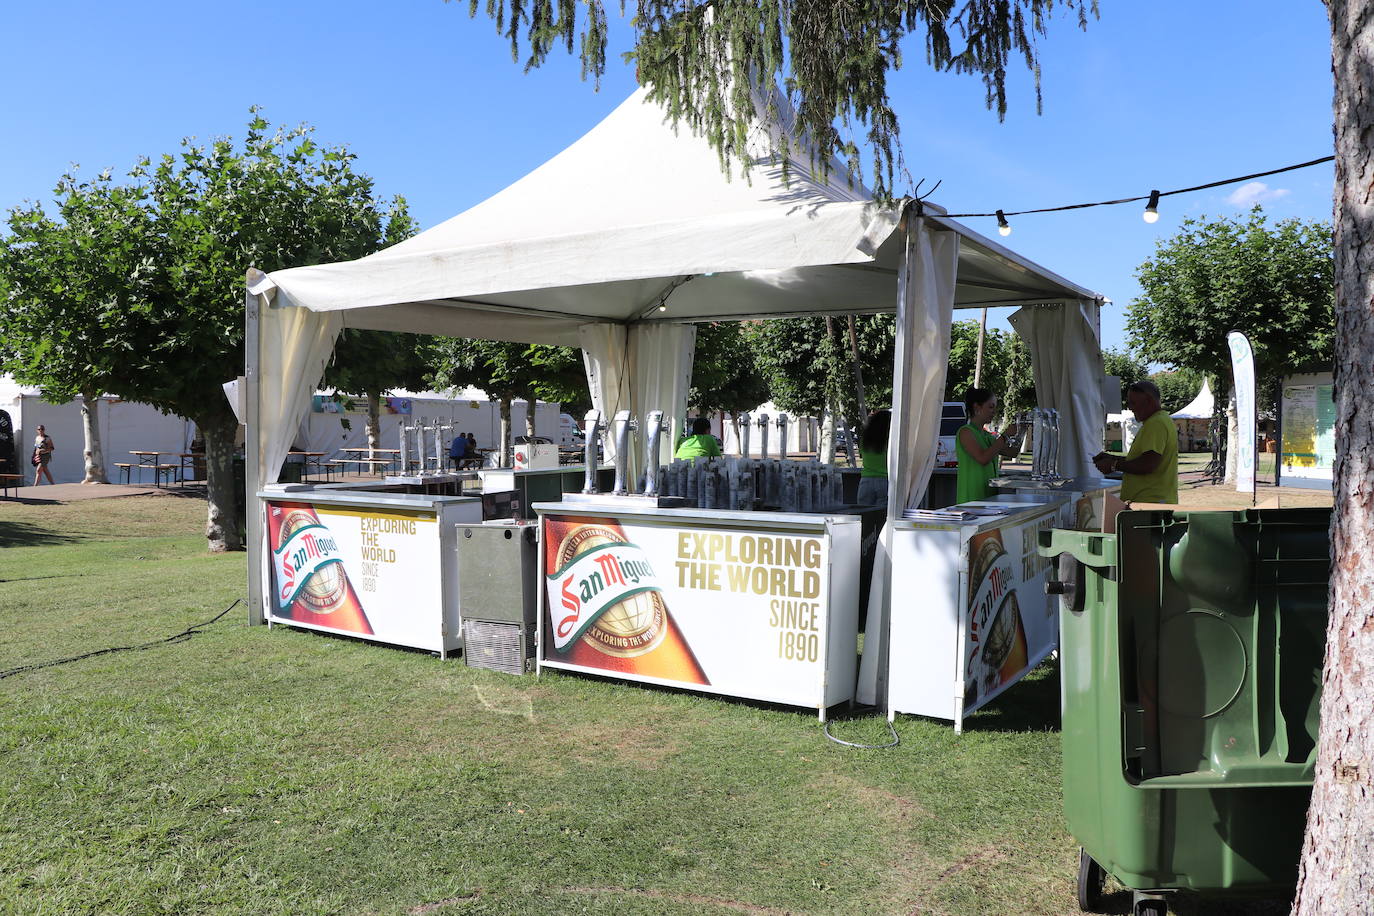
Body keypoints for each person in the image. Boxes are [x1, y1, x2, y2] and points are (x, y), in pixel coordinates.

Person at [1094, 380, 1178, 504]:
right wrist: (1111, 458)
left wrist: (1114, 465)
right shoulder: (1159, 420)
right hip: (1150, 502)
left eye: (1133, 403)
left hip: (1149, 504)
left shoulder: (1156, 423)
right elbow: (1144, 459)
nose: (1131, 408)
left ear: (1148, 401)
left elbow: (1148, 464)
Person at [956, 388, 1019, 504]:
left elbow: (1012, 453)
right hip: (971, 499)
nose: (994, 411)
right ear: (977, 407)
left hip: (988, 497)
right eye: (990, 407)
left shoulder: (987, 435)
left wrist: (1021, 429)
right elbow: (983, 458)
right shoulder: (965, 432)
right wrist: (1004, 436)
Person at [857, 409, 891, 507]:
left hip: (865, 481)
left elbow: (861, 455)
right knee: (882, 517)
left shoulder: (865, 440)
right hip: (885, 481)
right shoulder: (889, 441)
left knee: (865, 516)